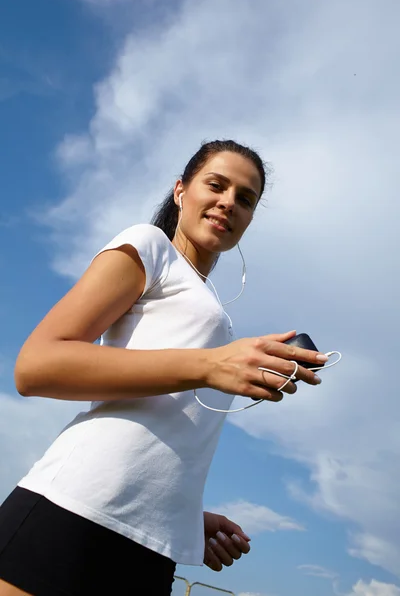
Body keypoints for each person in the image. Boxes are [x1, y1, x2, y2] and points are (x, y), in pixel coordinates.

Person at [0, 139, 326, 596]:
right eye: (217, 184)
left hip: (154, 548)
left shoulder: (214, 309)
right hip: (75, 509)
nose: (228, 201)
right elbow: (35, 366)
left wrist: (188, 518)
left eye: (245, 199)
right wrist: (209, 365)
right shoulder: (149, 245)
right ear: (180, 192)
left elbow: (165, 430)